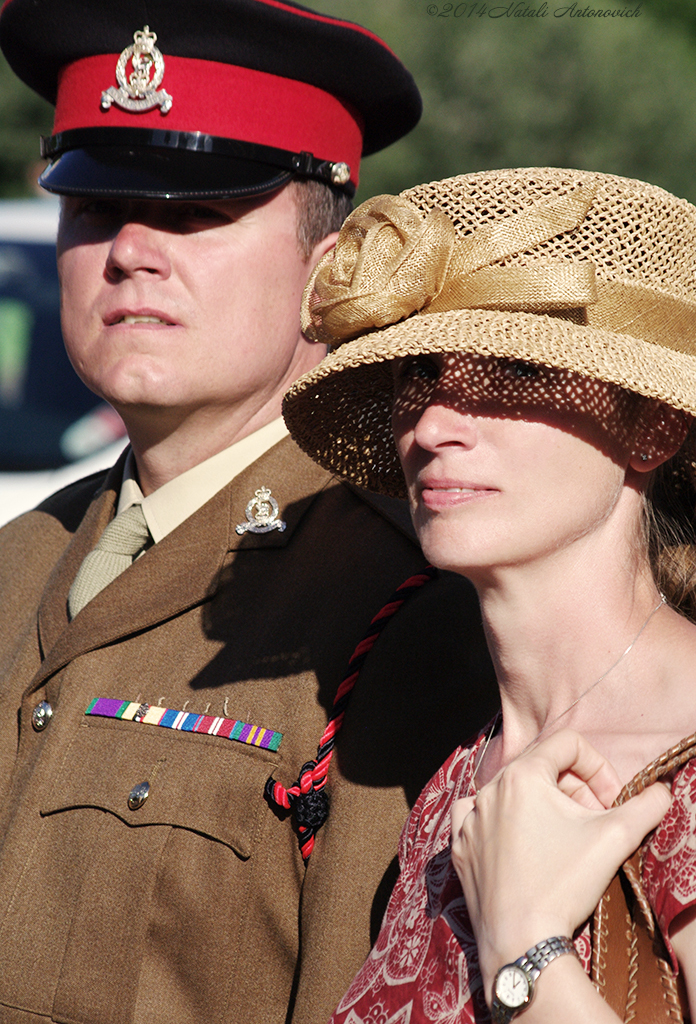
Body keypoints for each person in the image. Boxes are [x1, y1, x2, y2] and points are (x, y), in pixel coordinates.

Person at [0, 4, 496, 1023]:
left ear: (333, 267)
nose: (131, 249)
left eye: (195, 212)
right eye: (95, 208)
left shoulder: (406, 602)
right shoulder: (20, 557)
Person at [282, 166, 696, 1023]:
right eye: (422, 372)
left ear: (653, 426)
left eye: (515, 375)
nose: (436, 425)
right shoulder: (462, 771)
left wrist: (527, 950)